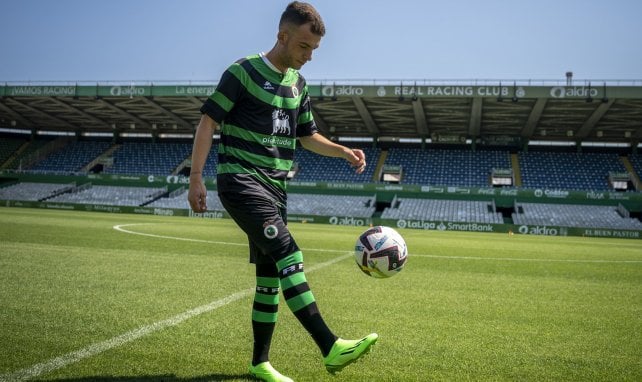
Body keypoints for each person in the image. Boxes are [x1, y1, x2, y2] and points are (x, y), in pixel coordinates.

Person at [187, 2, 377, 381]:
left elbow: (307, 137)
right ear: (283, 36)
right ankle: (330, 346)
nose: (308, 57)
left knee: (270, 278)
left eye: (314, 50)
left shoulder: (297, 85)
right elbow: (208, 121)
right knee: (290, 251)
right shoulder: (242, 72)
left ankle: (259, 364)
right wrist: (195, 176)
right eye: (304, 47)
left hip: (276, 189)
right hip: (241, 180)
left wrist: (341, 151)